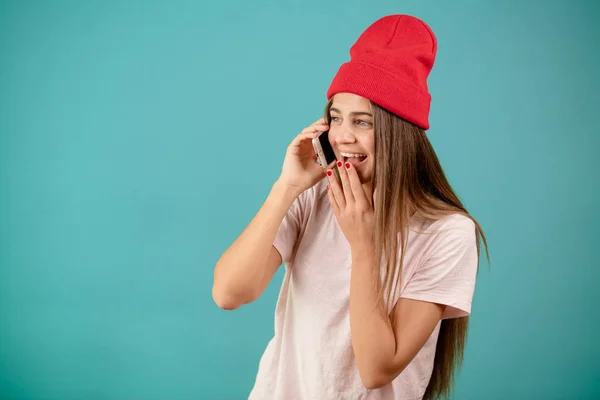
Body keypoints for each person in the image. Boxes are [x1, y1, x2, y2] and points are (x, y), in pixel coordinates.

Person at [212, 14, 489, 400]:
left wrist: (364, 247)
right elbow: (229, 293)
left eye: (363, 122)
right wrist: (286, 186)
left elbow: (376, 368)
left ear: (399, 132)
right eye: (336, 117)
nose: (342, 136)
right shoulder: (312, 195)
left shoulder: (447, 233)